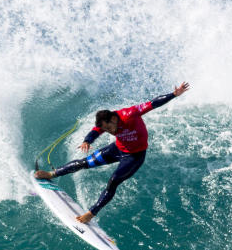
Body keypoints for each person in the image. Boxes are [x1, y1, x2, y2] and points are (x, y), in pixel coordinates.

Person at [35, 82, 190, 223]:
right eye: (105, 130)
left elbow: (153, 103)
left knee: (113, 181)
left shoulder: (130, 114)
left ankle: (91, 213)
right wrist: (87, 140)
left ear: (113, 119)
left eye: (108, 128)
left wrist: (174, 94)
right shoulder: (105, 124)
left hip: (134, 156)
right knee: (84, 163)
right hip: (117, 149)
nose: (108, 131)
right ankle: (51, 174)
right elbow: (95, 132)